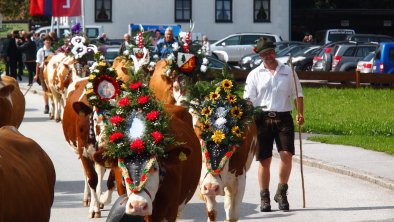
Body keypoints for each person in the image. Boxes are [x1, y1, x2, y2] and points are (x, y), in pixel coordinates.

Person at [243, 37, 304, 212]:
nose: (268, 56)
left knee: (286, 155)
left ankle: (282, 192)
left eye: (270, 52)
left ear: (274, 51)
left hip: (284, 117)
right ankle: (265, 197)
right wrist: (247, 117)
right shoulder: (254, 74)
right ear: (260, 56)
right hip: (261, 119)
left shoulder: (288, 71)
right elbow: (248, 99)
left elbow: (298, 94)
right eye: (264, 54)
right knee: (264, 160)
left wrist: (300, 113)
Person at [35, 36, 54, 114]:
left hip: (52, 72)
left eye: (49, 41)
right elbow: (38, 63)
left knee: (53, 89)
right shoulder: (41, 51)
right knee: (45, 90)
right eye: (46, 41)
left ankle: (53, 105)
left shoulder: (53, 51)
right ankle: (46, 106)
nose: (48, 42)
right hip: (43, 71)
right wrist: (36, 75)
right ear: (44, 42)